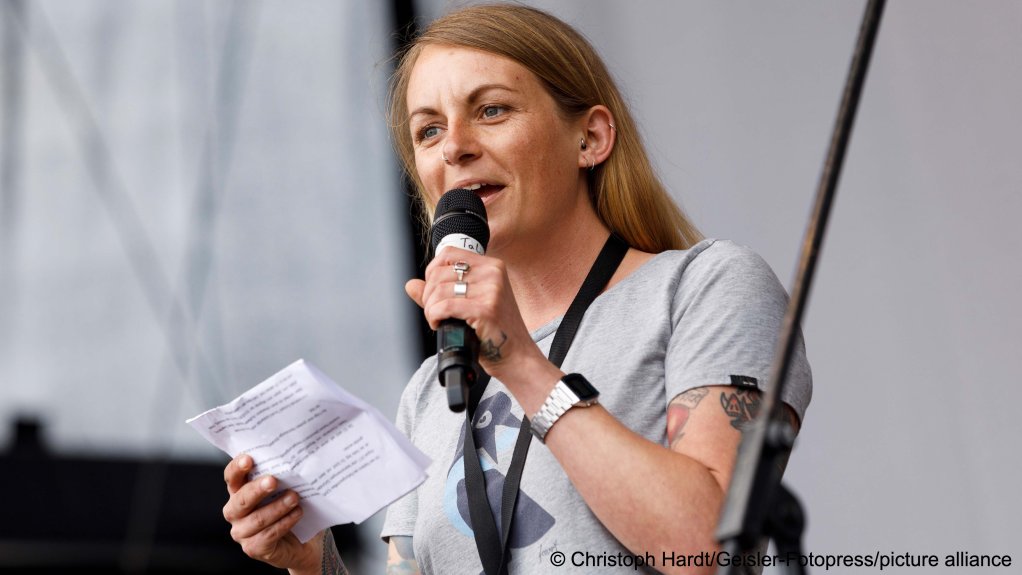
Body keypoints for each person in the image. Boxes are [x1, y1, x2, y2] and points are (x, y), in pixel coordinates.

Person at [220, 4, 811, 574]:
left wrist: (522, 363)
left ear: (591, 138)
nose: (454, 147)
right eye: (428, 130)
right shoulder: (432, 387)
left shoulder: (703, 288)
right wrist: (313, 563)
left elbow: (709, 549)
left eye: (493, 110)